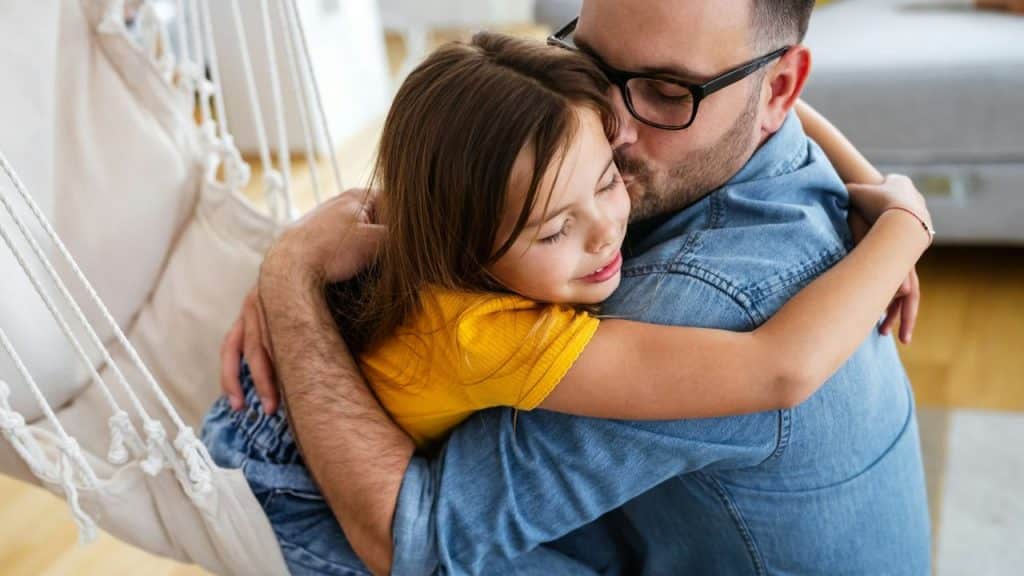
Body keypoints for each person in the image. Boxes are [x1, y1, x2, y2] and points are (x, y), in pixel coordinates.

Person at [206, 1, 933, 573]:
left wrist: (291, 278)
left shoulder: (700, 308)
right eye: (588, 64)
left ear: (776, 87)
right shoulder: (732, 135)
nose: (608, 127)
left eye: (665, 90)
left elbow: (412, 540)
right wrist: (880, 191)